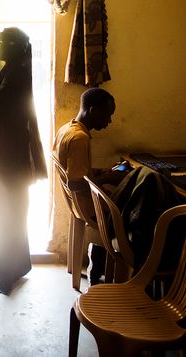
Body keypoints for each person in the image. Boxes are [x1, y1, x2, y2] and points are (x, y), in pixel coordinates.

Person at [0, 27, 47, 295]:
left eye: (5, 42)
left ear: (15, 46)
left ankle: (6, 271)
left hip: (5, 162)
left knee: (3, 214)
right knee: (13, 215)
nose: (0, 46)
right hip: (10, 160)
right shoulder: (14, 70)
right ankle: (15, 266)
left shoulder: (14, 74)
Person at [52, 87, 126, 285]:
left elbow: (76, 169)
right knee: (138, 212)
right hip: (88, 207)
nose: (109, 121)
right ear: (93, 111)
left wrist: (101, 172)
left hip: (76, 204)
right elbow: (76, 183)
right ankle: (117, 269)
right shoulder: (80, 138)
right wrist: (109, 177)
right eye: (108, 115)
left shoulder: (67, 129)